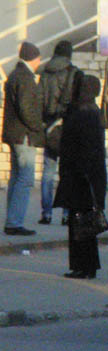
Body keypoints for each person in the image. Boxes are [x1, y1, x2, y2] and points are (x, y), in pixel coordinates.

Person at [54, 74, 107, 279]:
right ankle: (85, 266)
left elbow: (80, 147)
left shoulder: (85, 114)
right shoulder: (91, 112)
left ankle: (83, 266)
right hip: (85, 176)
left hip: (82, 177)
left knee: (81, 223)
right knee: (83, 224)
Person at [3, 41, 44, 236]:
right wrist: (38, 126)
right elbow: (26, 108)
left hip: (14, 134)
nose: (40, 61)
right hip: (24, 135)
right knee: (25, 179)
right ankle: (14, 222)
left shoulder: (14, 74)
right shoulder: (26, 78)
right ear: (33, 58)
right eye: (38, 57)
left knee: (16, 177)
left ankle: (12, 220)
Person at [37, 40, 79, 225]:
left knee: (48, 171)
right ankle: (66, 215)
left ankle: (46, 214)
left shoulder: (45, 73)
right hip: (68, 127)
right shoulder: (74, 72)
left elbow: (39, 99)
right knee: (67, 173)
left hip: (50, 127)